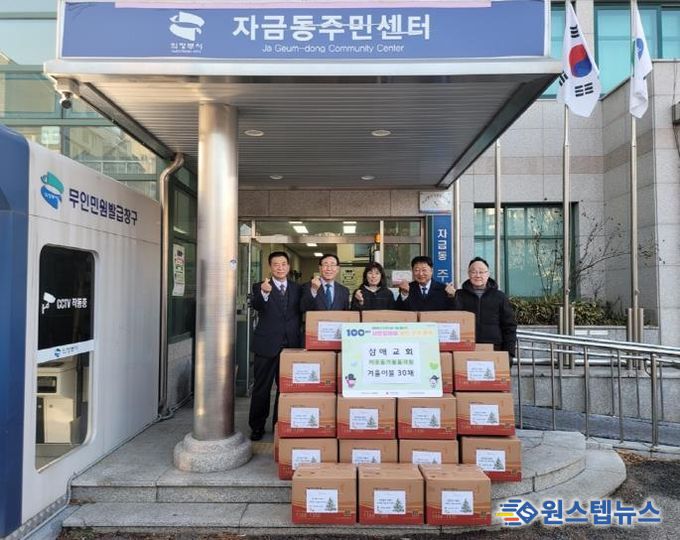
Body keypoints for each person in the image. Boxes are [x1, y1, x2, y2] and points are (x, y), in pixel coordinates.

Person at [248, 251, 302, 441]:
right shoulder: (260, 286)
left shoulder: (297, 288)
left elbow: (305, 308)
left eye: (283, 264)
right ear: (270, 267)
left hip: (291, 346)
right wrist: (264, 292)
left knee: (285, 389)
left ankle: (279, 424)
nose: (280, 267)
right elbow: (257, 305)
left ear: (288, 266)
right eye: (276, 264)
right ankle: (257, 426)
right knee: (261, 388)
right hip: (266, 345)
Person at [452, 256, 517, 357]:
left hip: (494, 348)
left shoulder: (500, 296)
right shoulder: (459, 295)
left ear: (488, 274)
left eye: (481, 272)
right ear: (469, 274)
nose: (477, 275)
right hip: (466, 348)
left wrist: (509, 353)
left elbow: (509, 326)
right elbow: (453, 322)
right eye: (473, 272)